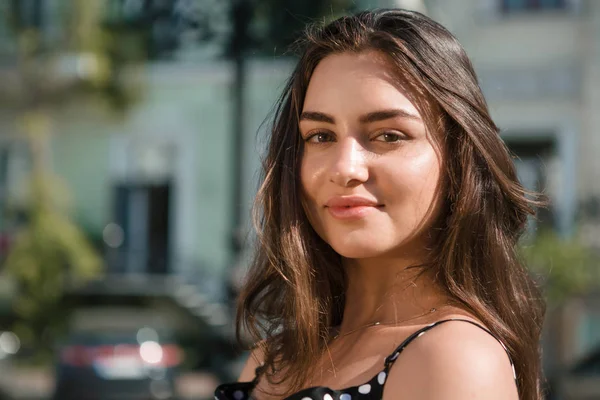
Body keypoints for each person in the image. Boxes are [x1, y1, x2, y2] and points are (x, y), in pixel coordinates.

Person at [215, 8, 545, 400]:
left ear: (458, 159)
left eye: (388, 135)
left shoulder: (451, 357)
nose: (345, 168)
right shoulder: (277, 357)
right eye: (320, 136)